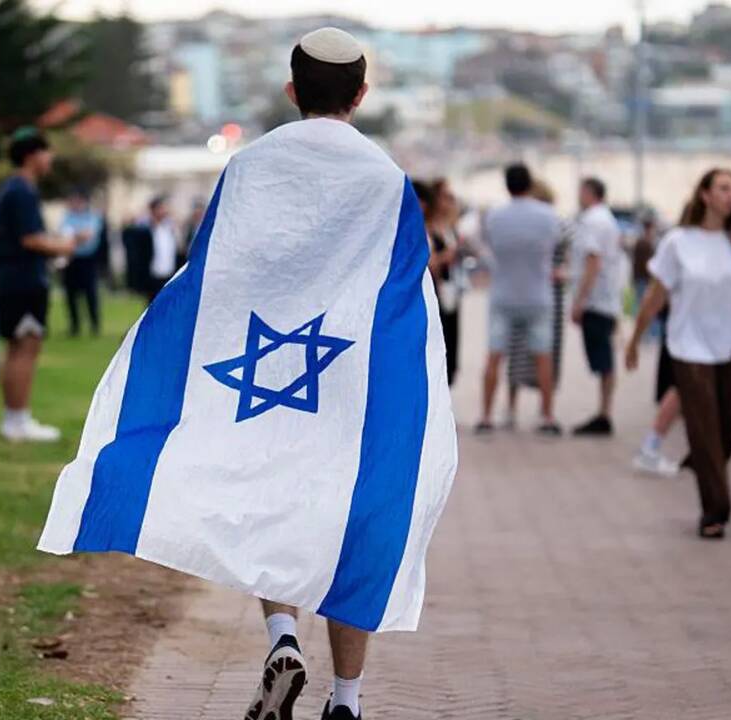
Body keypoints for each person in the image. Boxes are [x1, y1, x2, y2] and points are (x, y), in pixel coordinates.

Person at [36, 28, 457, 720]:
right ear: (360, 94)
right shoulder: (387, 180)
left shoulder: (251, 167)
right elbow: (404, 295)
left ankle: (282, 636)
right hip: (345, 382)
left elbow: (216, 272)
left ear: (291, 90)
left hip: (260, 374)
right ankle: (346, 701)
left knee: (269, 500)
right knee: (349, 524)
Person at [625, 168, 731, 540]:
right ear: (705, 195)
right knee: (703, 427)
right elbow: (655, 295)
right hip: (689, 347)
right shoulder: (678, 242)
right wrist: (635, 339)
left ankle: (704, 464)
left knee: (725, 431)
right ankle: (715, 511)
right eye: (723, 188)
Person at [0, 127, 84, 442]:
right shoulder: (22, 191)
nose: (50, 158)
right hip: (23, 280)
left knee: (17, 347)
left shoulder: (12, 189)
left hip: (11, 278)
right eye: (46, 151)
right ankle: (17, 420)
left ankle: (13, 418)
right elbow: (30, 239)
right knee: (26, 346)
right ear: (32, 155)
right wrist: (65, 246)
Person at [476, 163, 562, 436]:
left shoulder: (494, 216)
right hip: (538, 293)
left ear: (507, 185)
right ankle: (547, 416)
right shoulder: (548, 216)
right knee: (543, 357)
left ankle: (486, 416)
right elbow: (554, 245)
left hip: (503, 292)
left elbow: (485, 246)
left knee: (494, 355)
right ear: (530, 183)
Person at [506, 180, 565, 423]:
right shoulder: (557, 224)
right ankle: (546, 412)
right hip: (547, 295)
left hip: (521, 291)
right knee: (544, 353)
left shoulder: (524, 224)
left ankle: (513, 408)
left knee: (518, 353)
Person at [569, 176, 624, 437]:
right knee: (605, 359)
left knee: (603, 360)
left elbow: (593, 261)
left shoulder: (592, 221)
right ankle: (605, 411)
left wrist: (580, 301)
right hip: (607, 299)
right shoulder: (607, 219)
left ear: (589, 193)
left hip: (597, 301)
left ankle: (604, 413)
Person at [415, 178, 463, 385]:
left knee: (450, 347)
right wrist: (447, 256)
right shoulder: (425, 229)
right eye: (445, 196)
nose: (449, 201)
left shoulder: (447, 226)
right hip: (435, 292)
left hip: (448, 291)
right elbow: (429, 262)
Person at [59, 189, 104, 337]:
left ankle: (94, 324)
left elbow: (88, 235)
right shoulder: (67, 217)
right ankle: (75, 326)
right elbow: (63, 235)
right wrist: (76, 236)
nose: (75, 204)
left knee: (90, 294)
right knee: (70, 294)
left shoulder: (92, 217)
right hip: (71, 259)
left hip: (88, 260)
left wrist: (73, 236)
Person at [147, 195, 179, 302]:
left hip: (169, 274)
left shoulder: (169, 228)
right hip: (153, 276)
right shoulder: (147, 229)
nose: (163, 211)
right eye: (160, 208)